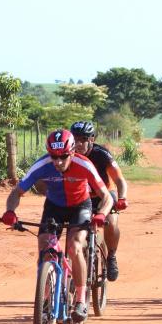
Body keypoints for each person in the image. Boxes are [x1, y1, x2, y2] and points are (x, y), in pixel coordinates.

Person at [1, 129, 113, 323]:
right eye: (54, 157)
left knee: (74, 246)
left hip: (80, 206)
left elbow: (106, 196)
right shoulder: (42, 165)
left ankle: (80, 300)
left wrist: (101, 214)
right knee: (45, 245)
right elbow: (16, 192)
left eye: (63, 157)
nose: (58, 162)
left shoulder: (84, 164)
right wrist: (10, 212)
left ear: (72, 152)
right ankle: (45, 297)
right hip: (54, 207)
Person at [70, 120, 129, 281]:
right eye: (76, 139)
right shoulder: (68, 155)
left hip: (105, 196)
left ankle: (111, 256)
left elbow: (119, 180)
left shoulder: (102, 154)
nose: (79, 143)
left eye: (84, 139)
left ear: (92, 139)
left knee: (111, 222)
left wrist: (122, 197)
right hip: (81, 198)